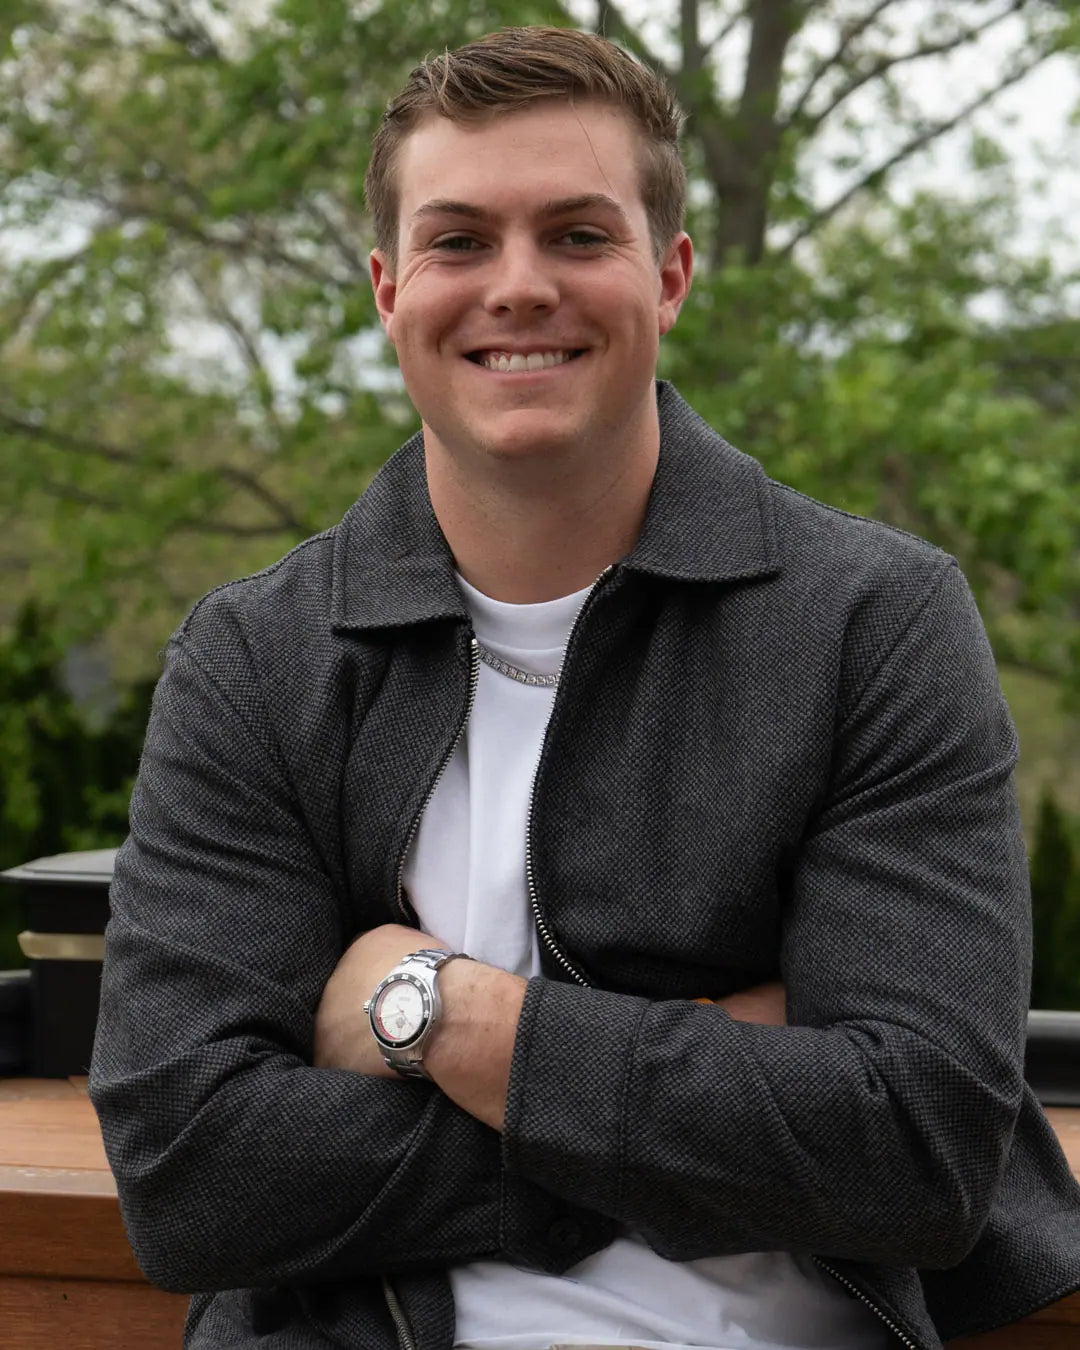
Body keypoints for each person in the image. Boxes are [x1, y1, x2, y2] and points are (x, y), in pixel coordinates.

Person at [89, 25, 1080, 1350]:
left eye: (576, 234)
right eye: (458, 241)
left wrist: (441, 1013)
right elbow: (189, 1174)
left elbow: (919, 1146)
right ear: (388, 289)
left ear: (669, 276)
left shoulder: (872, 624)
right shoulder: (260, 657)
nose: (518, 287)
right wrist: (695, 1089)